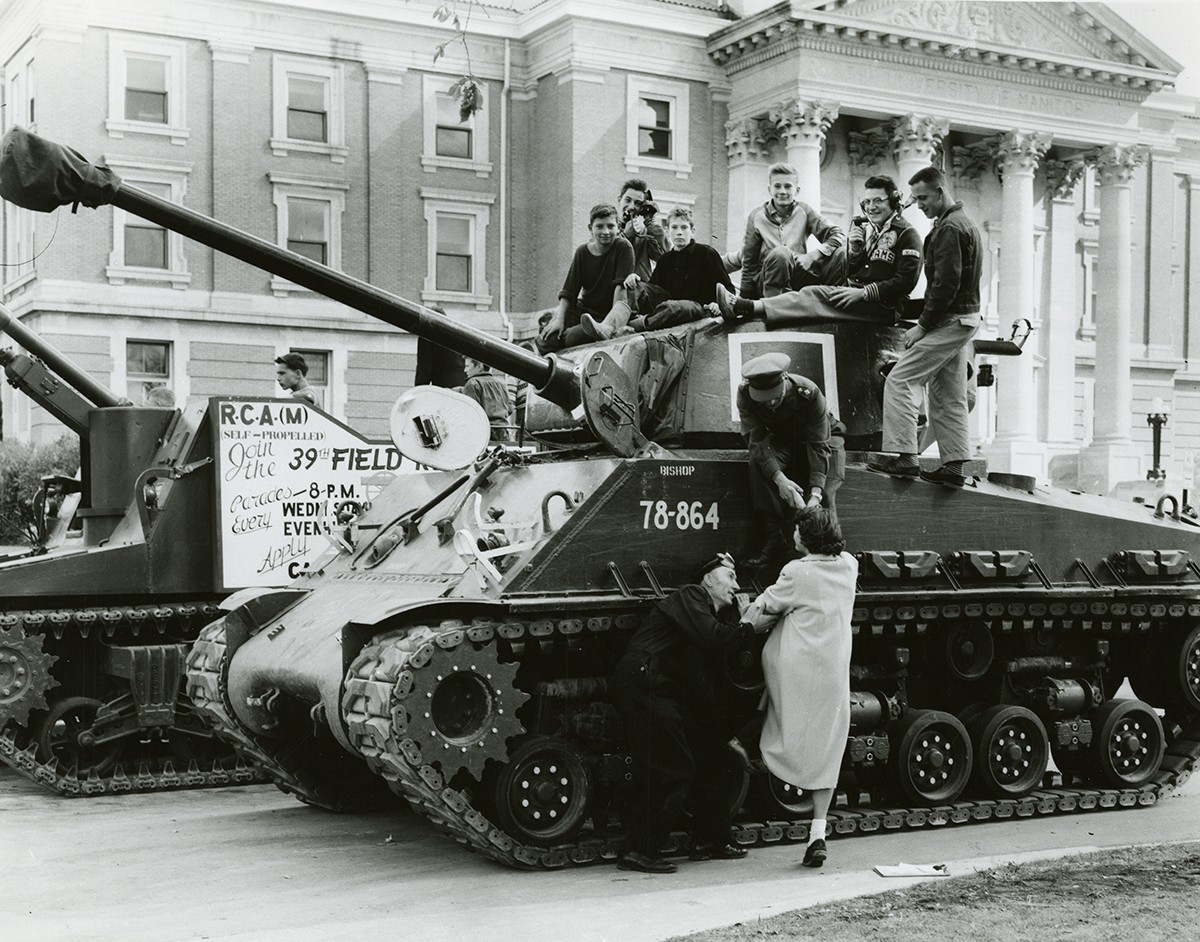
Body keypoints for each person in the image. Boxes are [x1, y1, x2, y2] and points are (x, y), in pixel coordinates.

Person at [609, 552, 754, 874]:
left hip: (663, 690)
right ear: (708, 579)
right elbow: (714, 638)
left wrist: (721, 734)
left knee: (709, 757)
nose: (736, 585)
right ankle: (639, 851)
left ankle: (711, 838)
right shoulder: (691, 595)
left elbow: (707, 677)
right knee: (671, 770)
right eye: (730, 576)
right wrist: (747, 624)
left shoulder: (708, 614)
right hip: (645, 685)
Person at [741, 507, 857, 869]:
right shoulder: (849, 566)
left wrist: (745, 610)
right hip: (833, 670)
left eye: (797, 531)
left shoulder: (797, 571)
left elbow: (768, 604)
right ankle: (817, 833)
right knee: (827, 748)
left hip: (797, 668)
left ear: (805, 538)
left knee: (784, 731)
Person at [868, 166, 982, 487]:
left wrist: (923, 326)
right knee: (949, 394)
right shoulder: (963, 224)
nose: (919, 204)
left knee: (901, 379)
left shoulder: (948, 229)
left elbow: (945, 285)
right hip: (965, 320)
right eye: (915, 198)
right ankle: (955, 467)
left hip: (949, 320)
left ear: (940, 192)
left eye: (923, 197)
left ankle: (904, 457)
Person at [716, 175, 921, 326]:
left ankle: (747, 307)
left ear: (893, 202)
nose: (870, 207)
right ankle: (773, 305)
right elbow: (859, 270)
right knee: (837, 257)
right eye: (867, 202)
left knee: (814, 294)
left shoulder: (907, 234)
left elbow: (906, 282)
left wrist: (863, 294)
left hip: (881, 307)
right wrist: (856, 251)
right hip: (858, 294)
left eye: (878, 201)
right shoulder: (872, 232)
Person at [737, 352, 844, 566]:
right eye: (764, 400)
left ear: (784, 378)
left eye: (776, 395)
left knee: (825, 494)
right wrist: (780, 480)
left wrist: (815, 494)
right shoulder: (745, 394)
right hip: (786, 439)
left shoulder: (809, 392)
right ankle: (774, 536)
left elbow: (818, 445)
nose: (772, 403)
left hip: (825, 438)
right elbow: (756, 440)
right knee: (759, 463)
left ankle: (826, 555)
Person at [580, 207, 734, 339]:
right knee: (629, 285)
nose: (679, 232)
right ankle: (609, 327)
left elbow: (728, 289)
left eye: (684, 228)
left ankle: (634, 327)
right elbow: (651, 292)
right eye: (674, 228)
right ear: (667, 230)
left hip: (697, 308)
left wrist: (717, 304)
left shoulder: (706, 253)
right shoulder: (665, 259)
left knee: (673, 307)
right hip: (667, 304)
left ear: (692, 231)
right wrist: (635, 280)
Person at [737, 163, 846, 301]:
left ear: (797, 190)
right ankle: (774, 307)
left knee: (840, 254)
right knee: (782, 253)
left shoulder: (804, 211)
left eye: (788, 186)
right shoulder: (756, 216)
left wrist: (812, 256)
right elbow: (749, 262)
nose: (782, 191)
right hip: (769, 280)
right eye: (777, 186)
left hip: (798, 274)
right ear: (769, 189)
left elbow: (838, 234)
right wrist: (744, 298)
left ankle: (831, 305)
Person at [539, 204, 635, 352]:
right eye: (599, 226)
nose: (606, 231)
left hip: (607, 314)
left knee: (572, 337)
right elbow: (569, 291)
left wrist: (612, 323)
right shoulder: (582, 252)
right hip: (586, 311)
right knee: (548, 339)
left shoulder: (623, 247)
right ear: (590, 228)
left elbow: (620, 291)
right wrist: (559, 320)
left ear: (618, 228)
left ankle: (575, 337)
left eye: (611, 226)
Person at [617, 178, 669, 283]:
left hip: (640, 292)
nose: (631, 206)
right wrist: (625, 236)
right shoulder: (607, 229)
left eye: (637, 203)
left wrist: (650, 222)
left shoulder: (645, 235)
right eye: (628, 200)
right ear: (619, 200)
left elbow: (665, 258)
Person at [461, 357, 513, 442]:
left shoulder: (472, 383)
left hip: (484, 435)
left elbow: (471, 413)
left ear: (479, 365)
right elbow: (510, 409)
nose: (464, 370)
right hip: (503, 434)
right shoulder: (501, 384)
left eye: (467, 366)